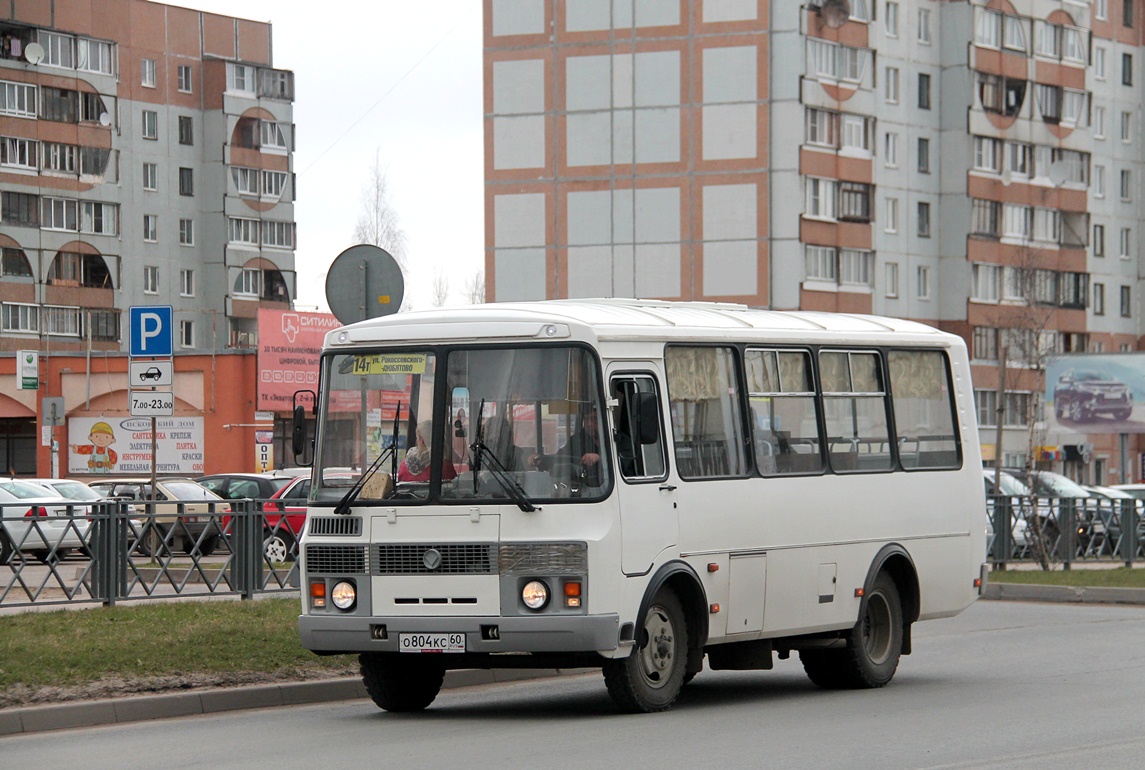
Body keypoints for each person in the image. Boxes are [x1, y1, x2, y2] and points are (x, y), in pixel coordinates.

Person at [532, 408, 603, 484]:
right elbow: (561, 457)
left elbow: (615, 462)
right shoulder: (577, 440)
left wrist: (599, 458)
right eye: (586, 419)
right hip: (582, 487)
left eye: (594, 419)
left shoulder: (612, 440)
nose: (589, 424)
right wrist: (540, 460)